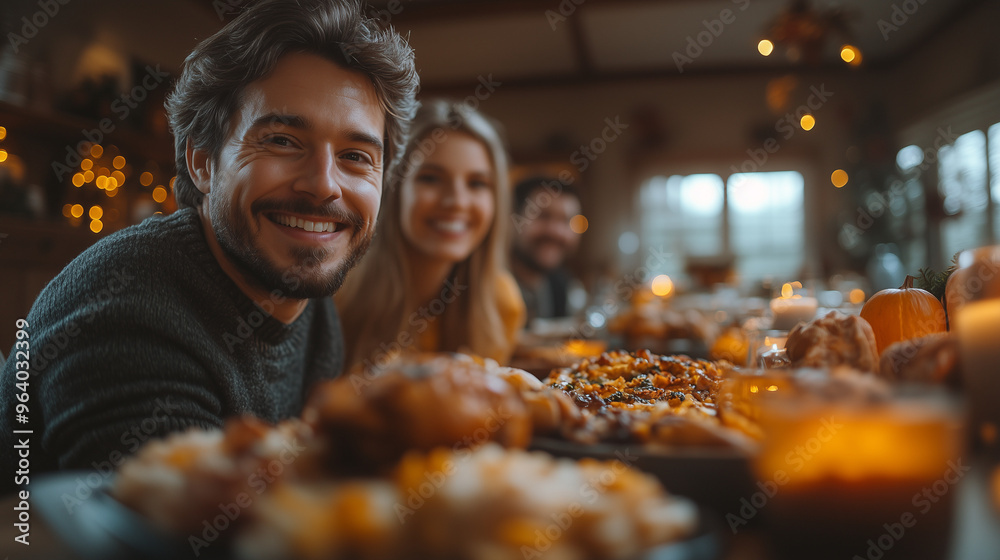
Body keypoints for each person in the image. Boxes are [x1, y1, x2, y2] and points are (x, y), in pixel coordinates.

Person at [0, 0, 418, 492]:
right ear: (202, 163)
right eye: (282, 141)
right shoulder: (128, 316)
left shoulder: (309, 302)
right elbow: (180, 535)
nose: (324, 185)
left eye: (355, 156)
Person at [337, 100, 524, 371]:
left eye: (477, 183)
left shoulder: (501, 303)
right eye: (431, 178)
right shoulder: (335, 293)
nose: (457, 202)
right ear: (393, 190)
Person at [510, 176, 586, 323]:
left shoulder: (560, 285)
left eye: (567, 221)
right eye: (543, 216)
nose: (556, 231)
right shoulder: (485, 286)